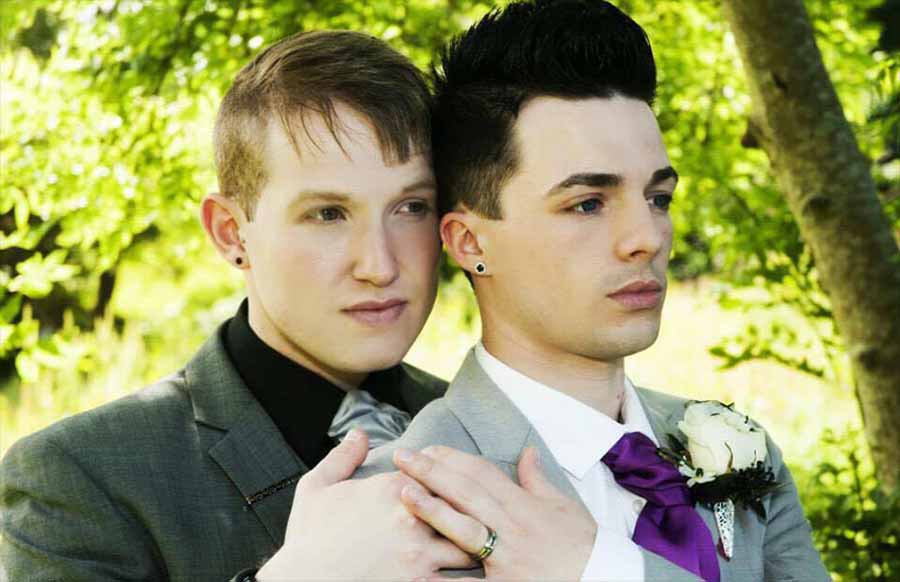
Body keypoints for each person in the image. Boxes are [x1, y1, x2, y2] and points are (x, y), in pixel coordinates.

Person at [354, 1, 830, 580]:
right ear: (471, 242)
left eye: (658, 198)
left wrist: (601, 569)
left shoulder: (739, 449)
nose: (646, 237)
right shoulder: (407, 500)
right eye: (587, 204)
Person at [0, 30, 473, 581]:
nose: (380, 264)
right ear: (231, 233)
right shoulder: (76, 478)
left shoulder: (488, 424)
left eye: (411, 207)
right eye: (328, 214)